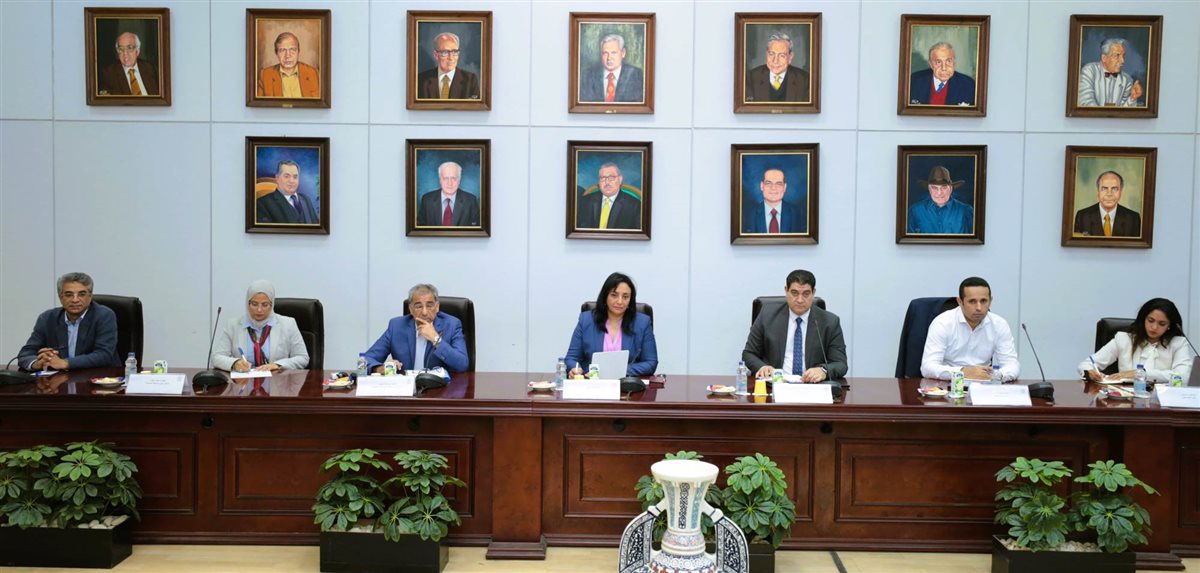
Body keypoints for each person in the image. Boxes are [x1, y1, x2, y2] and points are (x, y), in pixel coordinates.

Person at [741, 269, 847, 382]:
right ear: (786, 291)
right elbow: (748, 353)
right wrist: (762, 367)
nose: (800, 300)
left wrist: (823, 370)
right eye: (794, 293)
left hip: (812, 385)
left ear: (813, 293)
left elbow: (840, 364)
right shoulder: (767, 316)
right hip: (775, 383)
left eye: (806, 294)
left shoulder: (830, 322)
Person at [921, 277, 1020, 381]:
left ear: (990, 301)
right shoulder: (942, 323)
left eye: (983, 301)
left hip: (984, 383)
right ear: (960, 301)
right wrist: (963, 372)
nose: (979, 308)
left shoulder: (999, 324)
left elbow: (1012, 365)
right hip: (948, 384)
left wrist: (996, 376)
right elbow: (927, 367)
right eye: (972, 301)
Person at [17, 272, 119, 371]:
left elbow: (104, 355)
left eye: (81, 294)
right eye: (69, 295)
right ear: (60, 297)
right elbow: (25, 353)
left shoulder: (104, 315)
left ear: (90, 296)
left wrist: (65, 363)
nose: (75, 300)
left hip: (100, 376)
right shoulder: (47, 318)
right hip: (61, 378)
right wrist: (37, 363)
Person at [1078, 298, 1192, 384]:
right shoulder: (1124, 339)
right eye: (1150, 320)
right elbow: (1086, 364)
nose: (1154, 327)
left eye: (1162, 324)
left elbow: (1183, 376)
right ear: (1143, 319)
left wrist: (1140, 373)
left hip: (1163, 400)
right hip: (1126, 400)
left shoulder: (1179, 343)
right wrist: (1090, 372)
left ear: (1169, 326)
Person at [565, 272, 658, 377]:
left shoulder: (642, 323)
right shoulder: (586, 320)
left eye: (625, 297)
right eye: (614, 295)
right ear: (605, 296)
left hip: (627, 383)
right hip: (592, 381)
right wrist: (575, 369)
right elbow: (571, 358)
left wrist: (618, 371)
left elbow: (651, 362)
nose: (620, 301)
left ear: (630, 300)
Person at [363, 284, 469, 373]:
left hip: (440, 388)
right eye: (418, 306)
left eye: (429, 306)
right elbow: (366, 359)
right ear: (411, 309)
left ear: (437, 307)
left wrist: (436, 339)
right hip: (406, 388)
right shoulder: (396, 326)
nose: (424, 312)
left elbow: (462, 364)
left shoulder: (452, 325)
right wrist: (379, 368)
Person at [210, 280, 309, 373]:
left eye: (265, 305)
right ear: (247, 303)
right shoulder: (233, 325)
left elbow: (303, 358)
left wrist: (278, 365)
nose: (259, 310)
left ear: (272, 304)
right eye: (254, 304)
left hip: (276, 382)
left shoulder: (288, 324)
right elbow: (216, 357)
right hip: (243, 382)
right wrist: (234, 363)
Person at [906, 165, 974, 234]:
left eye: (944, 188)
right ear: (929, 189)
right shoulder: (915, 211)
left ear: (951, 189)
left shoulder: (966, 211)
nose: (939, 193)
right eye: (934, 188)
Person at [579, 33, 645, 103]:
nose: (609, 58)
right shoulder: (588, 75)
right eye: (605, 53)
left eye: (613, 53)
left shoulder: (635, 75)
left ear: (623, 53)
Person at [1073, 171, 1141, 238]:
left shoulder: (1133, 218)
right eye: (1104, 188)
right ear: (1098, 191)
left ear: (1121, 192)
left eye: (1114, 189)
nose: (1109, 194)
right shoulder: (1083, 216)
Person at [1078, 38, 1143, 107]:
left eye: (1123, 56)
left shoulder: (1127, 80)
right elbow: (1085, 102)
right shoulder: (1089, 71)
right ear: (1104, 58)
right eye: (1117, 55)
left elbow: (1124, 110)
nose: (1122, 61)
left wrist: (1132, 98)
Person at [745, 32, 809, 103]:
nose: (775, 61)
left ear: (790, 57)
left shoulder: (805, 80)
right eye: (771, 54)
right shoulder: (750, 78)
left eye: (782, 55)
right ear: (766, 54)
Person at [417, 32, 480, 100]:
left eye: (454, 52)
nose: (451, 58)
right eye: (445, 52)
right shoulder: (421, 80)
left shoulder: (470, 80)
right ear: (436, 55)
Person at [577, 162, 641, 229]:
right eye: (603, 178)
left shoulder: (634, 206)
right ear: (599, 182)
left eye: (611, 177)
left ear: (620, 179)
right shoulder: (585, 201)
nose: (607, 182)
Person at [909, 42, 976, 106]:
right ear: (931, 64)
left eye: (948, 61)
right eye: (938, 62)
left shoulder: (968, 84)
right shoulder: (914, 81)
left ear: (954, 62)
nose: (944, 68)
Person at [742, 167, 806, 234]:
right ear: (762, 186)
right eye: (768, 183)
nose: (773, 188)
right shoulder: (748, 216)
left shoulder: (798, 214)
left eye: (778, 183)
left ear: (784, 187)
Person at [256, 32, 320, 98]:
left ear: (298, 51)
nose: (288, 55)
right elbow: (260, 103)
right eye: (282, 50)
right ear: (276, 53)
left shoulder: (313, 73)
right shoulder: (265, 75)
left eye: (292, 50)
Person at [417, 161, 481, 226]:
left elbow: (476, 228)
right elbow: (420, 228)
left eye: (453, 178)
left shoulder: (471, 201)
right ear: (440, 180)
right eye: (445, 178)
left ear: (459, 180)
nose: (449, 183)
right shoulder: (427, 200)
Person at [256, 160, 320, 225]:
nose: (291, 181)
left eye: (295, 177)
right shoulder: (262, 203)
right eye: (286, 176)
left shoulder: (306, 199)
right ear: (277, 178)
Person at [98, 32, 160, 96]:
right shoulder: (108, 74)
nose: (125, 53)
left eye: (130, 48)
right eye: (121, 49)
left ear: (137, 51)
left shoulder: (150, 68)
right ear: (117, 52)